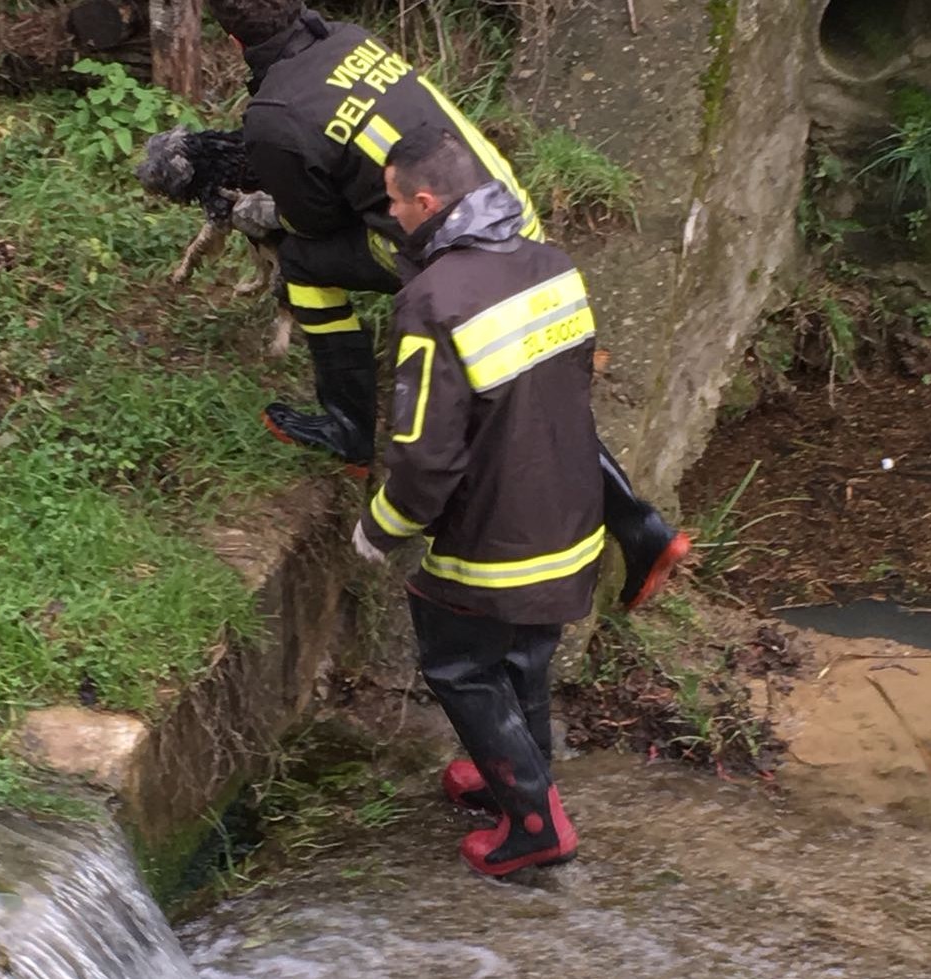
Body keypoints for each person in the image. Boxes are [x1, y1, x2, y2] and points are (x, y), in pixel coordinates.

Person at [206, 0, 689, 609]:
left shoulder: (274, 114)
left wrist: (260, 206)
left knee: (304, 262)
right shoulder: (350, 39)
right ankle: (641, 527)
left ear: (230, 40)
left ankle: (348, 427)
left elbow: (314, 223)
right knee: (531, 391)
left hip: (452, 247)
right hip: (508, 213)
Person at [352, 125, 601, 876]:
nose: (390, 214)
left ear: (427, 203)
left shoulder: (433, 300)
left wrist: (381, 528)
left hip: (496, 538)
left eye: (395, 201)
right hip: (571, 519)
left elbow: (425, 455)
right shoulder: (554, 266)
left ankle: (533, 823)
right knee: (524, 652)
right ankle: (517, 779)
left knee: (460, 662)